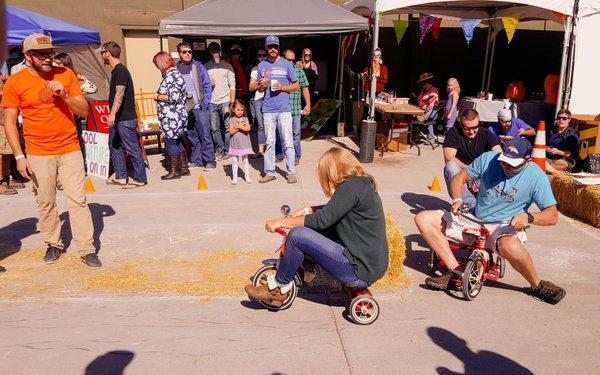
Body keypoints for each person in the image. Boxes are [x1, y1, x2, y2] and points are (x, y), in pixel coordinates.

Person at [414, 137, 566, 305]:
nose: (506, 167)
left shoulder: (536, 176)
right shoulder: (488, 159)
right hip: (474, 218)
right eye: (504, 162)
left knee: (510, 245)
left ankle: (536, 285)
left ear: (527, 161)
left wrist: (529, 217)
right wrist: (457, 199)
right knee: (423, 219)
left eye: (512, 165)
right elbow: (459, 178)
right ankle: (455, 271)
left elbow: (552, 215)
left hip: (504, 225)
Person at [1, 33, 101, 268]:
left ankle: (86, 248)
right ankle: (53, 243)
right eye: (42, 54)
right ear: (28, 56)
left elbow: (84, 111)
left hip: (70, 148)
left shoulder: (66, 75)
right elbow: (9, 122)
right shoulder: (16, 83)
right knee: (45, 201)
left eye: (50, 53)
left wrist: (64, 95)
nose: (48, 58)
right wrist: (19, 156)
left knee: (78, 200)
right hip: (37, 152)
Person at [244, 147, 389, 306]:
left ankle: (278, 289)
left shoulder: (352, 186)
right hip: (367, 266)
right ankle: (305, 270)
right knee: (310, 229)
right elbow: (334, 210)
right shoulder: (360, 184)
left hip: (359, 270)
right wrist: (307, 210)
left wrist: (280, 222)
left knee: (297, 235)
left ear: (331, 171)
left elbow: (323, 219)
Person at [249, 35, 299, 184]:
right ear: (266, 47)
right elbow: (251, 86)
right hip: (268, 109)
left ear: (278, 48)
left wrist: (283, 87)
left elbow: (296, 85)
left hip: (284, 109)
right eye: (270, 47)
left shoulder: (287, 64)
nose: (273, 49)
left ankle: (291, 172)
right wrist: (260, 86)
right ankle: (270, 172)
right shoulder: (262, 66)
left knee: (288, 141)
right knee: (269, 142)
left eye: (275, 47)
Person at [101, 41, 147, 189]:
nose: (101, 56)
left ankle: (140, 178)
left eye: (102, 53)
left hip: (125, 119)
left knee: (132, 148)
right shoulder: (115, 71)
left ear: (108, 53)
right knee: (114, 145)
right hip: (119, 119)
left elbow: (119, 94)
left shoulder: (120, 70)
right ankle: (121, 176)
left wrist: (112, 114)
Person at [443, 109, 501, 209]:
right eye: (467, 128)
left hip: (482, 174)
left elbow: (499, 153)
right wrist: (471, 169)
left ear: (479, 123)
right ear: (461, 124)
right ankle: (469, 205)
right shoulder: (453, 132)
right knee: (450, 166)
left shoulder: (485, 133)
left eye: (475, 127)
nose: (471, 131)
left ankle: (491, 206)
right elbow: (449, 158)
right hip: (462, 172)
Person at [176, 42, 215, 171]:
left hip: (200, 107)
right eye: (184, 52)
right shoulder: (176, 68)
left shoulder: (198, 66)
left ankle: (210, 161)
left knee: (205, 135)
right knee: (192, 136)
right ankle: (197, 160)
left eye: (189, 51)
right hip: (186, 109)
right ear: (179, 53)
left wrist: (205, 103)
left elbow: (207, 85)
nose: (187, 54)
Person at [152, 51, 188, 180]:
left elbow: (173, 97)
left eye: (157, 64)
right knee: (177, 140)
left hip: (172, 116)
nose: (157, 67)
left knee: (171, 141)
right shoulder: (174, 75)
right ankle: (183, 167)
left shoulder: (171, 76)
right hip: (176, 114)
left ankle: (175, 171)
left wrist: (157, 96)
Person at [204, 42, 236, 159]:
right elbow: (201, 85)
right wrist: (207, 84)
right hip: (212, 102)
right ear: (209, 52)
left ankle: (228, 150)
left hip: (225, 100)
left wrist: (232, 101)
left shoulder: (227, 66)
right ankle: (219, 149)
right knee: (214, 129)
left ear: (220, 51)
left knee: (228, 127)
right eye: (212, 50)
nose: (215, 52)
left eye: (216, 50)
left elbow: (233, 85)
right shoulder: (205, 67)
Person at [283, 49, 310, 165]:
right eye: (288, 60)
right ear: (283, 59)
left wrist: (308, 104)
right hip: (282, 109)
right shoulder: (280, 73)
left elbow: (305, 88)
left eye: (292, 60)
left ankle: (296, 156)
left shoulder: (299, 72)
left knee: (296, 134)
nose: (291, 62)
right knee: (282, 134)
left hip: (295, 108)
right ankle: (282, 154)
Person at [1, 79, 25, 195]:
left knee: (7, 153)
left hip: (6, 120)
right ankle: (1, 182)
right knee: (1, 154)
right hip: (1, 120)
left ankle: (6, 179)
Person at [546, 109, 580, 174]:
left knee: (562, 163)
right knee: (535, 161)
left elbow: (573, 153)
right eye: (559, 118)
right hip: (549, 158)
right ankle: (556, 172)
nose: (561, 120)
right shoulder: (551, 130)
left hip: (565, 159)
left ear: (569, 120)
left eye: (564, 118)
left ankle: (546, 168)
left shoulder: (573, 134)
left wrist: (558, 152)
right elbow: (543, 145)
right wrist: (547, 148)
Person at [226, 100, 253, 185]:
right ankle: (234, 178)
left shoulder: (245, 119)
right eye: (238, 109)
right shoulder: (231, 119)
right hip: (235, 144)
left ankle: (247, 176)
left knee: (245, 160)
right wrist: (239, 126)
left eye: (241, 110)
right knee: (235, 160)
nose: (240, 112)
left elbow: (248, 129)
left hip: (244, 143)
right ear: (233, 109)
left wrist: (239, 126)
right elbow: (231, 132)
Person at [249, 49, 267, 157]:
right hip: (258, 99)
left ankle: (272, 150)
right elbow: (251, 87)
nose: (262, 57)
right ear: (257, 57)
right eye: (260, 55)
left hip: (269, 99)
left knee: (272, 125)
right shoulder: (255, 69)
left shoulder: (271, 68)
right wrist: (259, 85)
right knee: (260, 126)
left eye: (264, 55)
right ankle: (261, 150)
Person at [417, 72, 440, 139]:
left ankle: (430, 137)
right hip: (424, 110)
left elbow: (432, 99)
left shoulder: (433, 90)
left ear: (427, 83)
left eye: (423, 83)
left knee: (427, 119)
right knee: (415, 116)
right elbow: (419, 99)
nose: (422, 85)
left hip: (432, 110)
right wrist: (421, 104)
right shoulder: (423, 91)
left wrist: (425, 105)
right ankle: (429, 135)